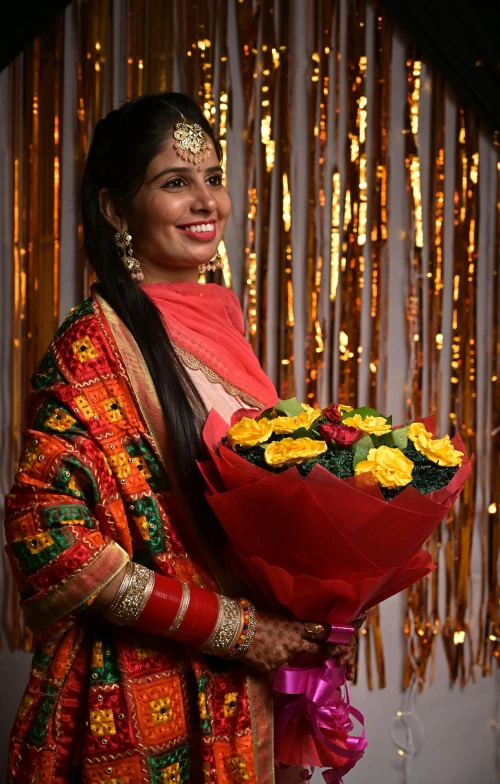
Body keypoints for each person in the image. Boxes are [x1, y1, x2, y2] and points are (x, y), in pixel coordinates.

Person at [4, 93, 355, 784]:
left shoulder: (220, 325)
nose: (207, 202)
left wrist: (323, 611)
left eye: (213, 177)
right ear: (114, 208)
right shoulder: (91, 347)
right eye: (175, 182)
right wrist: (243, 632)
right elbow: (51, 535)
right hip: (143, 695)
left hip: (248, 691)